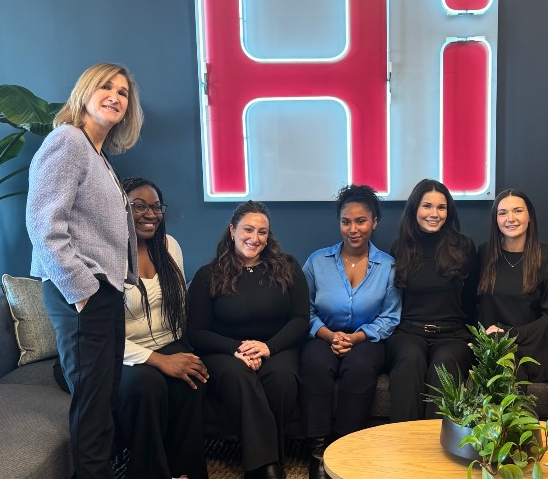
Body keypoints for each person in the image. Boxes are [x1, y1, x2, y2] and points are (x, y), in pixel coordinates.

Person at [26, 63, 142, 479]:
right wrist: (81, 289)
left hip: (102, 292)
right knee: (93, 405)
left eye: (123, 92)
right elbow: (44, 224)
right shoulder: (68, 141)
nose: (115, 96)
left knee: (103, 398)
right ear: (84, 93)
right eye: (106, 87)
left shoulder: (98, 156)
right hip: (80, 292)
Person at [188, 201, 308, 479]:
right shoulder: (209, 275)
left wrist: (268, 347)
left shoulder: (287, 266)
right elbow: (196, 333)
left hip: (277, 347)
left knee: (281, 379)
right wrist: (235, 349)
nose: (255, 238)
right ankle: (265, 466)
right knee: (239, 377)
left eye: (263, 232)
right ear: (232, 230)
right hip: (226, 352)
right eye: (248, 230)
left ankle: (263, 460)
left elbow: (301, 319)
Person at [300, 185, 401, 479]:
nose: (353, 229)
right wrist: (330, 336)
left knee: (359, 368)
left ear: (374, 222)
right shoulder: (317, 262)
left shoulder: (388, 266)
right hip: (323, 335)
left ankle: (345, 447)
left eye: (361, 221)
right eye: (346, 221)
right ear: (339, 222)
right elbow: (303, 311)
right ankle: (317, 451)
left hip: (367, 338)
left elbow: (390, 316)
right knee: (315, 364)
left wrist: (356, 337)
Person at [118, 177, 209, 479]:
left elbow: (180, 308)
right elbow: (103, 334)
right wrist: (160, 361)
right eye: (139, 206)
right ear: (119, 206)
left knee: (193, 377)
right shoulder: (107, 255)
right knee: (148, 385)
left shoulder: (170, 246)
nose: (150, 214)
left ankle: (185, 473)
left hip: (168, 341)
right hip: (121, 353)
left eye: (156, 207)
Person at [385, 178, 479, 421]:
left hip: (452, 335)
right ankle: (404, 442)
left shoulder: (463, 247)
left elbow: (472, 300)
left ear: (449, 211)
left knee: (444, 365)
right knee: (409, 360)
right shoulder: (400, 248)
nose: (434, 214)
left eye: (441, 207)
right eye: (427, 206)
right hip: (408, 332)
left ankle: (435, 447)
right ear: (415, 208)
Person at [477, 189, 548, 382]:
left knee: (506, 360)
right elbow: (477, 306)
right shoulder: (485, 254)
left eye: (517, 211)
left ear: (530, 216)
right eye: (502, 213)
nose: (510, 218)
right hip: (491, 344)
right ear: (495, 219)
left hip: (533, 344)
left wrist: (510, 335)